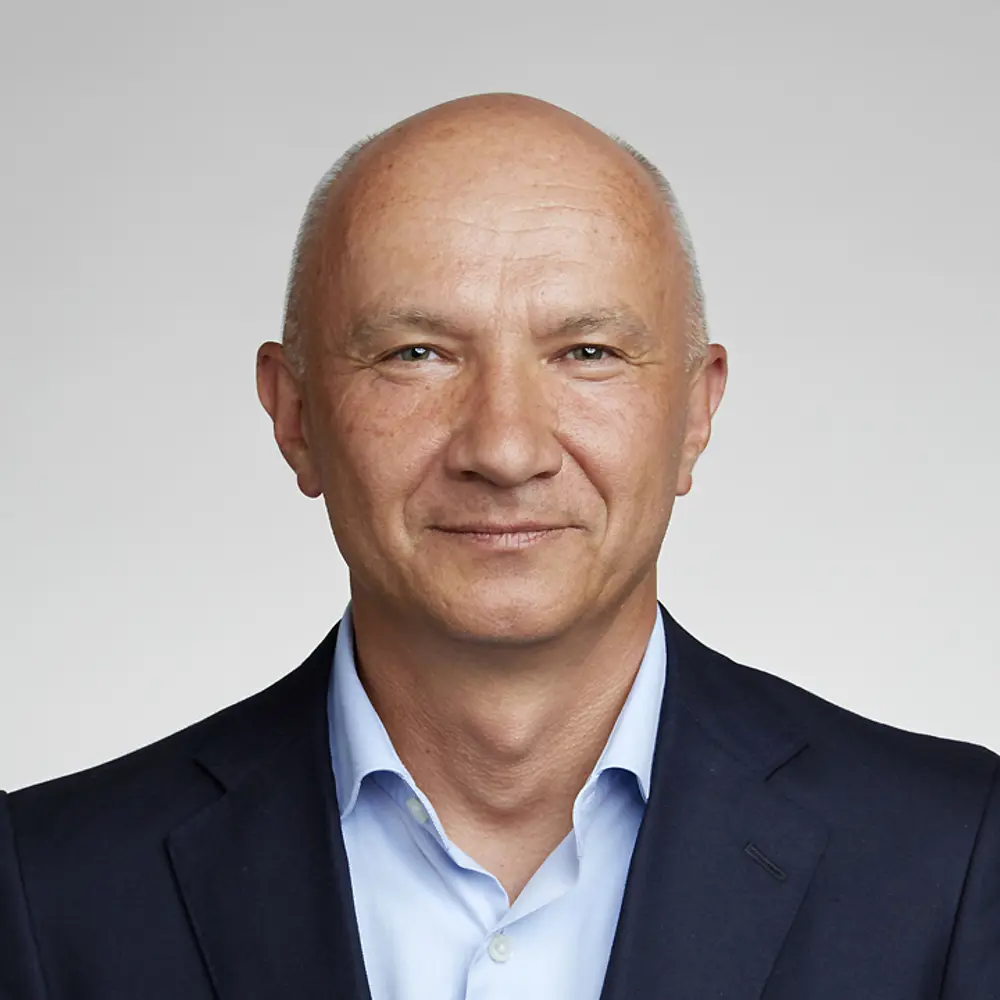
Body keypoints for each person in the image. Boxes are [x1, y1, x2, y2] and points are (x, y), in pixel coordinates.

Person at [1, 93, 996, 1000]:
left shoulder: (955, 855)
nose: (504, 447)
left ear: (694, 412)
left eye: (587, 353)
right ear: (296, 414)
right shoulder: (48, 888)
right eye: (416, 353)